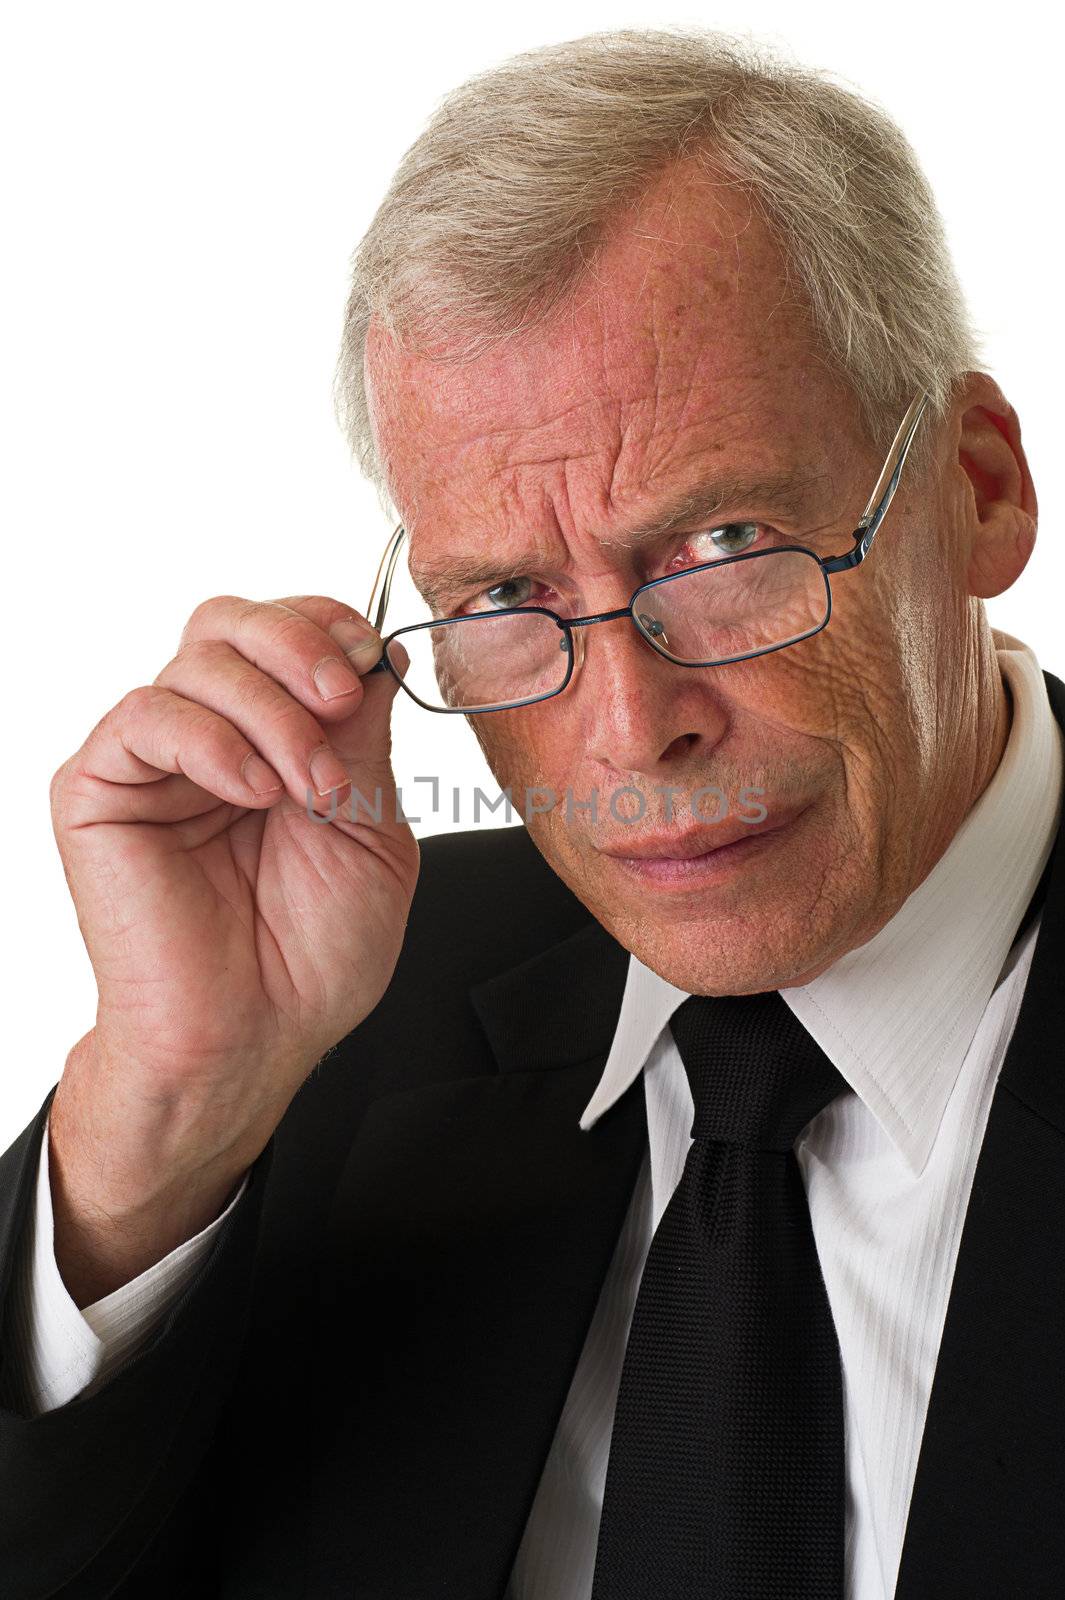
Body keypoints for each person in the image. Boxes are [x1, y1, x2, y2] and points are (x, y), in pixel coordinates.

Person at [1, 26, 1061, 1600]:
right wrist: (157, 1116)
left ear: (976, 489)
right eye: (505, 594)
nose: (629, 727)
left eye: (719, 545)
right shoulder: (324, 1027)